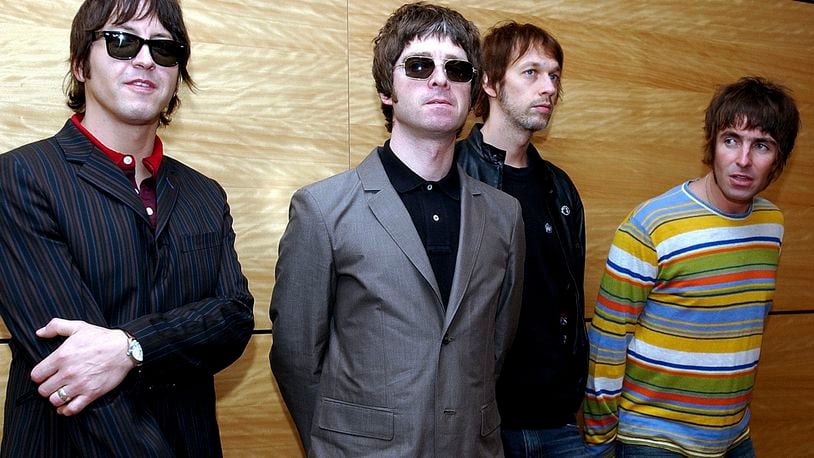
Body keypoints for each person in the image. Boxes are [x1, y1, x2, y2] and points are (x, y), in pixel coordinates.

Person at [270, 3, 525, 456]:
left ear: (472, 92)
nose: (440, 79)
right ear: (388, 88)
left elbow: (495, 349)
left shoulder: (504, 216)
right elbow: (296, 357)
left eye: (458, 69)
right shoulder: (323, 209)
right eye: (420, 65)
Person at [0, 0, 254, 455]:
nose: (144, 59)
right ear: (80, 65)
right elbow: (69, 365)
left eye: (164, 49)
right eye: (121, 41)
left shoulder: (205, 194)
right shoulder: (20, 178)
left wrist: (130, 346)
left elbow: (233, 320)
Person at [583, 76, 801, 457]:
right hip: (654, 438)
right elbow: (608, 339)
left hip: (733, 436)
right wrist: (600, 441)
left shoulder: (772, 224)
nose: (743, 160)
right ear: (712, 144)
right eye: (731, 139)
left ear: (779, 159)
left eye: (761, 145)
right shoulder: (652, 224)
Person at [456, 21, 588, 457]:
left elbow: (567, 299)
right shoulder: (452, 174)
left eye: (554, 75)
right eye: (530, 73)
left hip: (557, 421)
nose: (548, 87)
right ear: (490, 83)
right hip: (480, 423)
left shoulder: (560, 189)